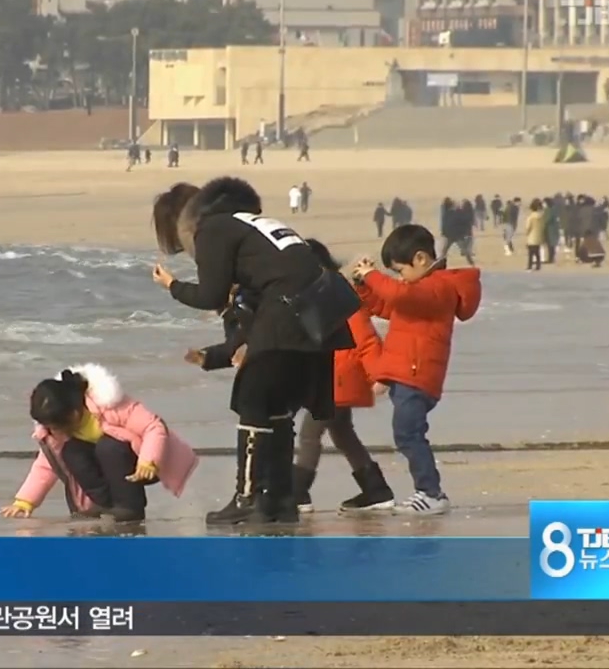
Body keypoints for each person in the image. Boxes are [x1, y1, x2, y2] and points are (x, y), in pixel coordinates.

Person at [151, 177, 352, 526]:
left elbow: (211, 295)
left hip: (288, 314)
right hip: (322, 316)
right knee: (278, 411)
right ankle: (280, 500)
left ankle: (247, 497)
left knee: (253, 403)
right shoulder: (255, 224)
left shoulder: (213, 229)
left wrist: (172, 286)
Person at [351, 224, 482, 515]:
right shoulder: (419, 290)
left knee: (408, 433)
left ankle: (431, 493)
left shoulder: (439, 288)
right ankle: (428, 491)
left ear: (421, 259)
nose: (400, 278)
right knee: (407, 433)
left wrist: (373, 276)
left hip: (417, 375)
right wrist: (364, 285)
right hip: (405, 374)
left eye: (400, 270)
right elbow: (387, 305)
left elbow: (398, 296)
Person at [0, 365, 199, 522]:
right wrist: (25, 501)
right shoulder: (56, 430)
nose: (55, 431)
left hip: (142, 464)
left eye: (57, 425)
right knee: (70, 451)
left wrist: (148, 461)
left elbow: (154, 427)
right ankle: (104, 506)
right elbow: (47, 464)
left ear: (75, 413)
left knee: (109, 446)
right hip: (105, 469)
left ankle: (129, 508)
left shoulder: (109, 404)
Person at [292, 239, 395, 514]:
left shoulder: (337, 293)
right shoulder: (322, 292)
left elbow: (367, 339)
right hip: (333, 375)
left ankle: (298, 492)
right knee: (343, 433)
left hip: (337, 378)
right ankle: (376, 490)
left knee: (310, 436)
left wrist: (380, 375)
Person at [523, 199, 545, 271]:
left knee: (531, 253)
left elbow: (528, 227)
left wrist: (526, 233)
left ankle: (530, 266)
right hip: (539, 236)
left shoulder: (531, 217)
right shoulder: (541, 216)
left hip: (532, 236)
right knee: (537, 252)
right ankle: (538, 266)